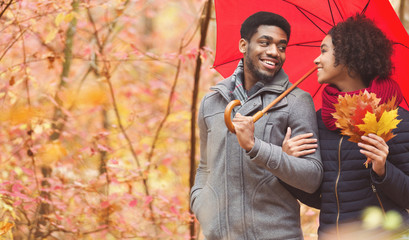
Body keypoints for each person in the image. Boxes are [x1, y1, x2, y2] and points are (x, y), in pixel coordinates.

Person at [190, 11, 323, 240]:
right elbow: (205, 166)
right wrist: (200, 203)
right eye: (265, 42)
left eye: (282, 47)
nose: (274, 52)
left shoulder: (296, 101)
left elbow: (312, 178)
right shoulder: (212, 102)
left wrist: (256, 147)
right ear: (243, 45)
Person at [282, 14, 409, 239]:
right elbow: (318, 198)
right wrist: (288, 165)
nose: (316, 60)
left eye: (323, 51)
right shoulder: (320, 121)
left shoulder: (395, 119)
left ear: (348, 57)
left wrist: (383, 170)